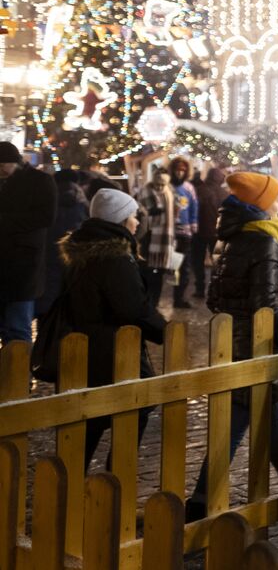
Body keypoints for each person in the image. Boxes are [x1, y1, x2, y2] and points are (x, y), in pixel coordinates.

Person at [188, 171, 278, 521]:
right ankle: (199, 503)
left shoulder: (227, 236)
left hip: (231, 341)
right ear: (261, 204)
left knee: (266, 421)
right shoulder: (263, 240)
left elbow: (215, 298)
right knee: (243, 420)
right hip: (254, 346)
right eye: (275, 198)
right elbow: (266, 303)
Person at [57, 188, 167, 466]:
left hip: (89, 345)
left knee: (93, 416)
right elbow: (132, 307)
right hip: (112, 348)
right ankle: (114, 478)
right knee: (134, 407)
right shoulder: (114, 257)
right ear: (119, 221)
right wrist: (164, 331)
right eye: (132, 216)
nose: (137, 222)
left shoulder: (85, 250)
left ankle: (75, 478)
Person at [0, 142, 58, 344]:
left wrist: (5, 221)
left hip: (23, 265)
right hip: (7, 262)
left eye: (2, 165)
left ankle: (17, 374)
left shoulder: (40, 181)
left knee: (17, 327)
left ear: (14, 162)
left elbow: (46, 217)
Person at [37, 170, 89, 318]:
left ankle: (46, 333)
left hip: (48, 256)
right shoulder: (82, 203)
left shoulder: (46, 200)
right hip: (74, 256)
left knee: (48, 298)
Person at [183, 166, 226, 306]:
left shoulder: (198, 191)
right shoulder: (224, 194)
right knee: (218, 262)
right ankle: (216, 290)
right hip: (218, 235)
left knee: (198, 262)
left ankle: (200, 289)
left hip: (199, 233)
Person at [136, 167, 178, 309]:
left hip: (166, 238)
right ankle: (146, 304)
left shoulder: (169, 189)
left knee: (158, 274)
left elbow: (176, 205)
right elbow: (142, 210)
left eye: (163, 182)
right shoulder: (146, 190)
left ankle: (154, 305)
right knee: (148, 272)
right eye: (158, 182)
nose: (160, 186)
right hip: (149, 237)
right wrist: (153, 210)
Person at [168, 158, 200, 308]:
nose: (180, 172)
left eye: (183, 169)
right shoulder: (167, 186)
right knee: (169, 266)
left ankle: (179, 298)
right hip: (168, 232)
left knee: (184, 267)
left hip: (184, 233)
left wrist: (193, 225)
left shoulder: (188, 187)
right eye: (177, 169)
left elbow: (194, 206)